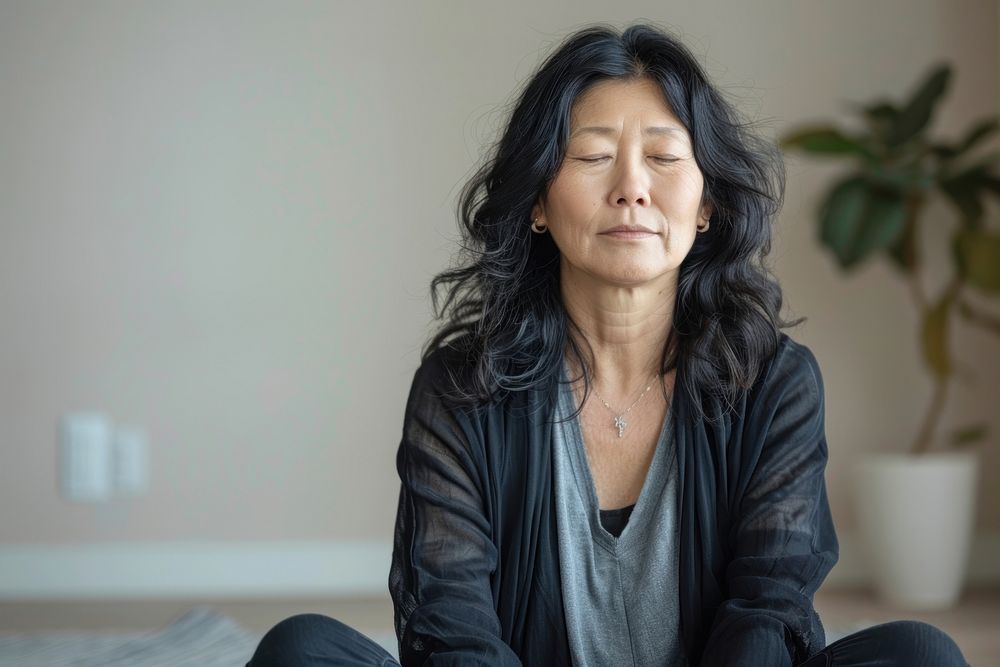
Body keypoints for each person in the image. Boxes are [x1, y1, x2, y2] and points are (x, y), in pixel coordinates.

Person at [248, 22, 970, 666]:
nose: (632, 188)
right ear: (535, 200)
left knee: (920, 653)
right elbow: (451, 625)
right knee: (300, 649)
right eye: (592, 157)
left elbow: (769, 610)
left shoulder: (774, 381)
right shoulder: (460, 386)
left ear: (708, 203)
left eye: (664, 157)